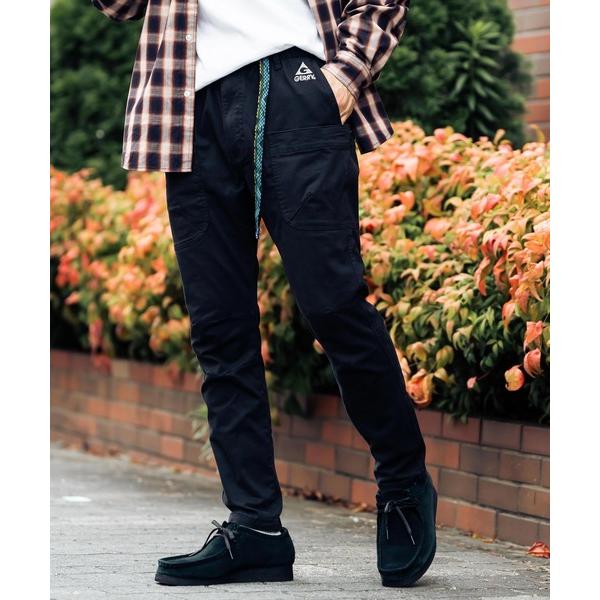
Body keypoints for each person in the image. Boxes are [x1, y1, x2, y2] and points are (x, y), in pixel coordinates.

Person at [92, 0, 437, 588]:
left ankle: (403, 479)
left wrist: (345, 75)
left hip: (296, 87)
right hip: (191, 104)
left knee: (334, 306)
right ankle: (255, 527)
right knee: (219, 329)